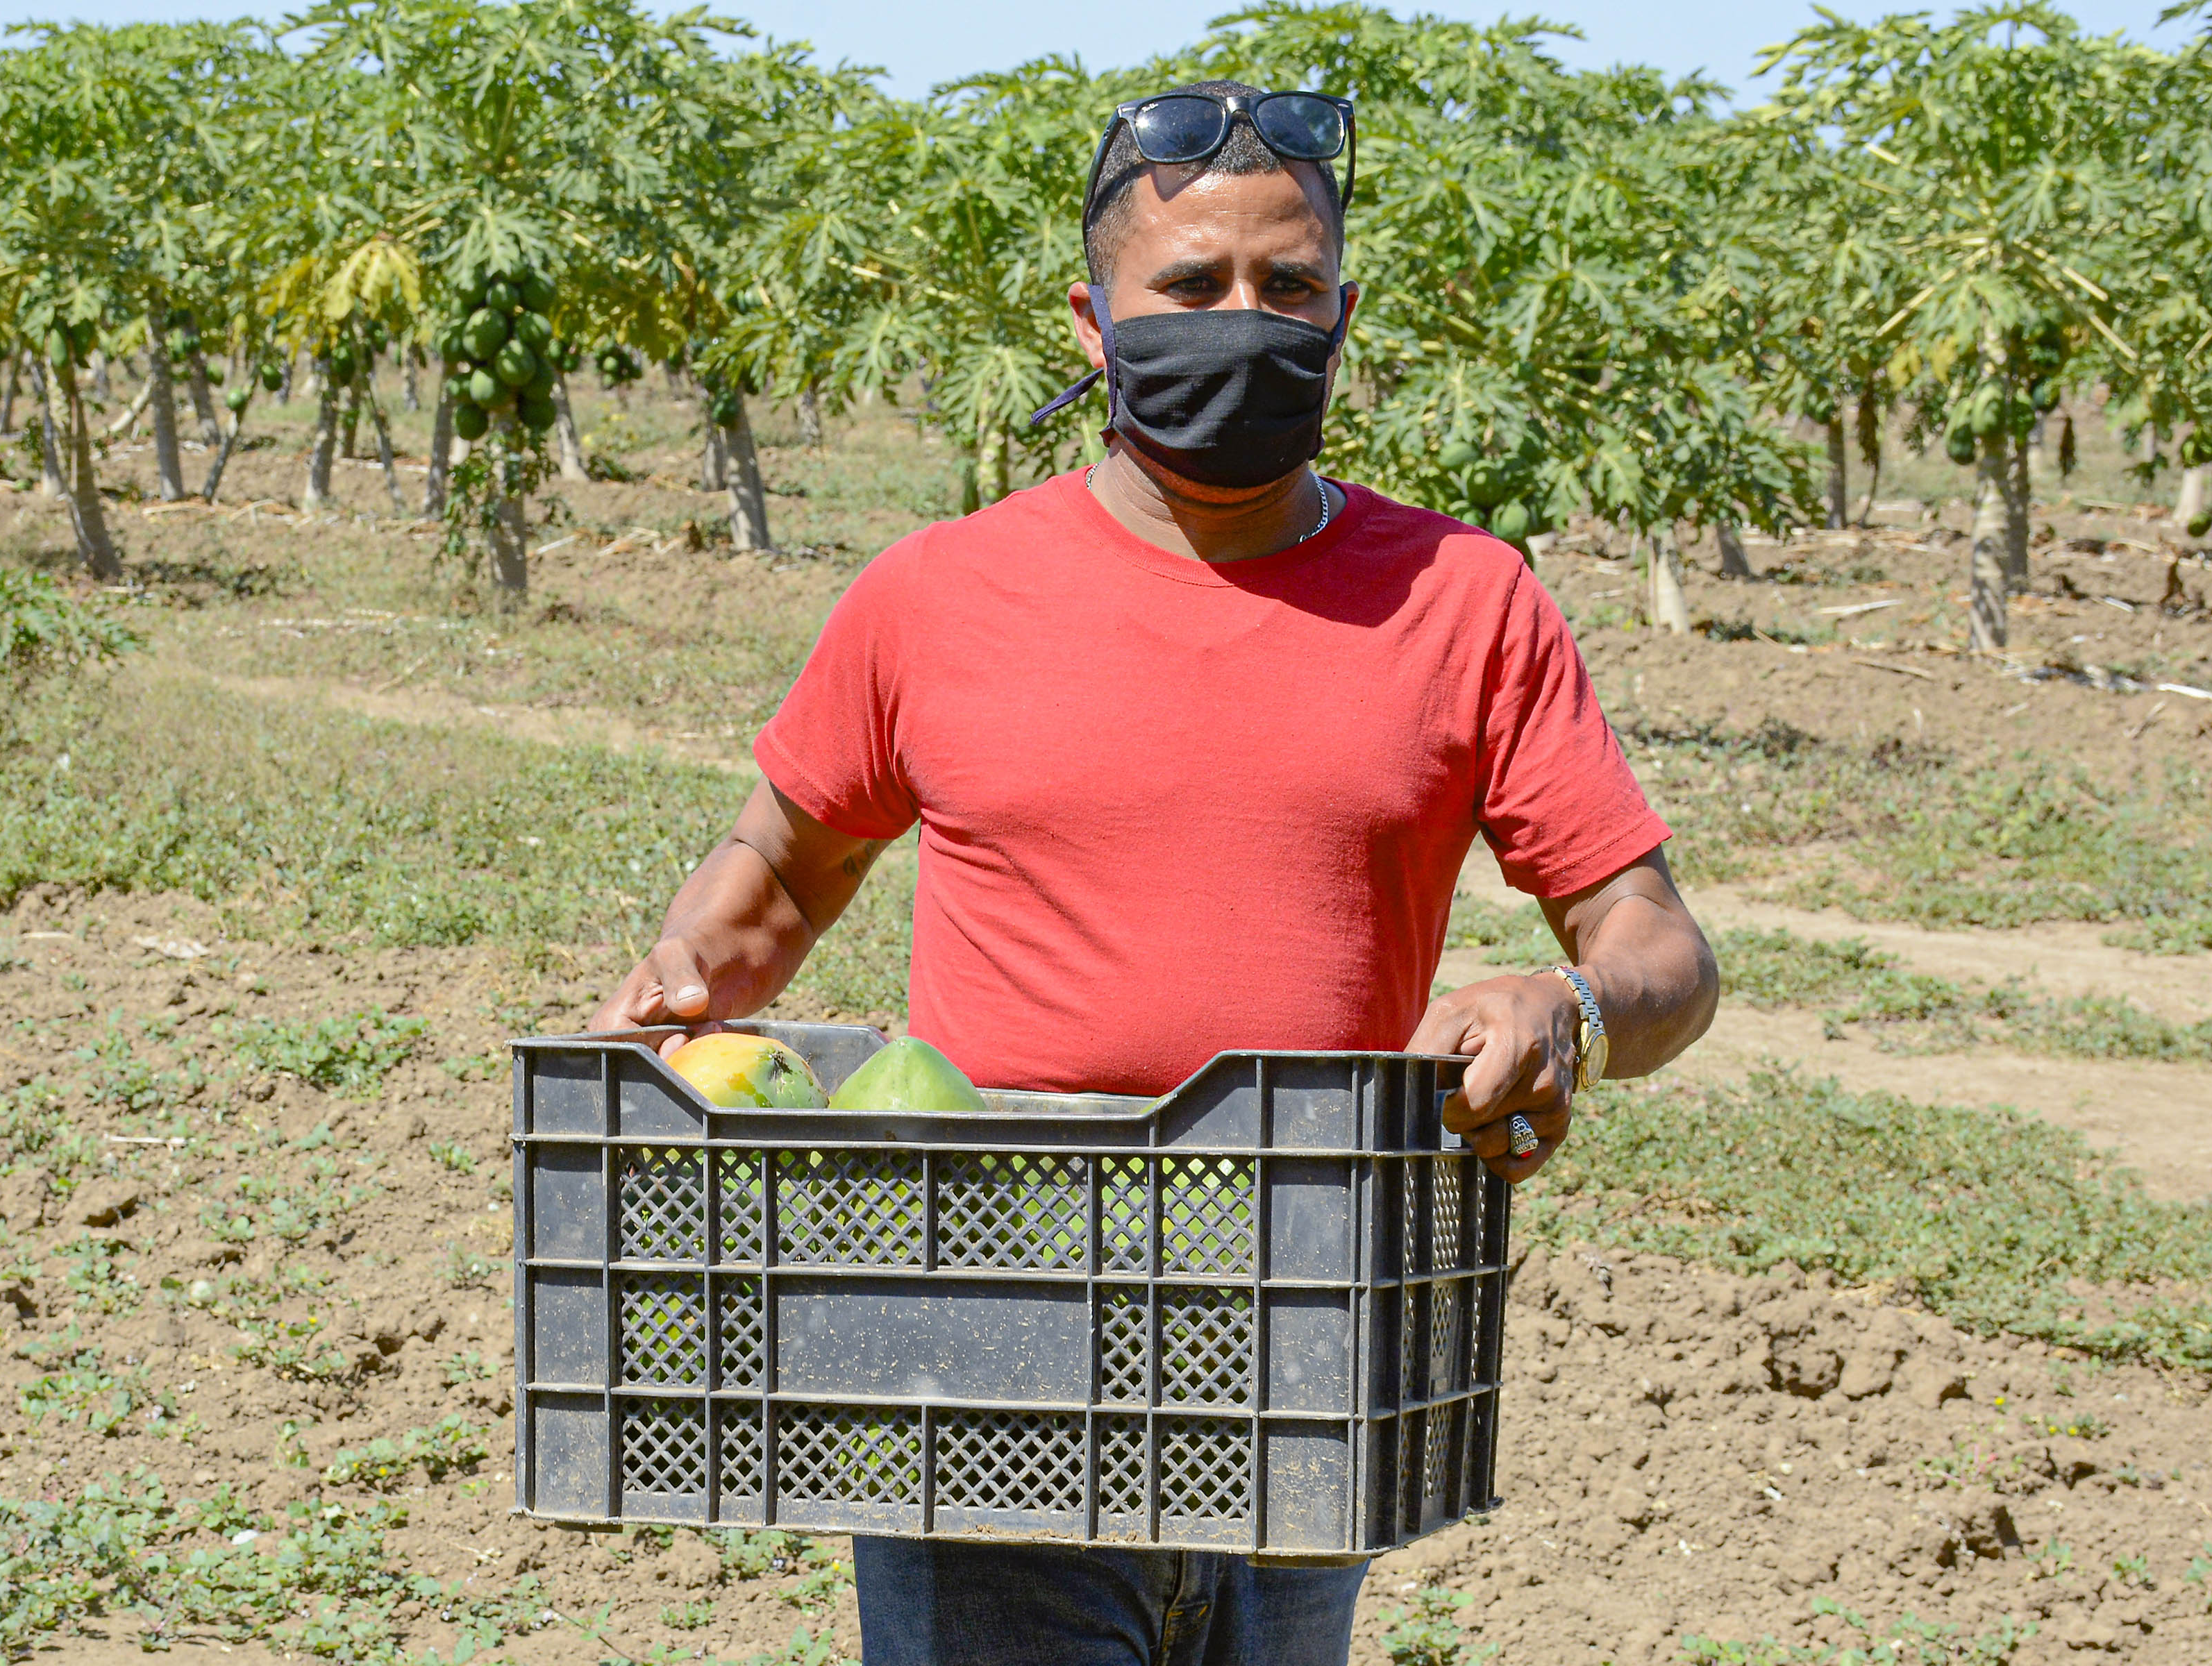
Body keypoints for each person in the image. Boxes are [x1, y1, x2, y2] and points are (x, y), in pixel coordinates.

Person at [591, 77, 1718, 1666]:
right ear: (1094, 321)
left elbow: (1659, 947)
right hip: (988, 1354)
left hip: (1306, 1354)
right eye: (1190, 289)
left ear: (1344, 314)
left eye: (1290, 288)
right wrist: (682, 990)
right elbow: (780, 874)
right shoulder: (940, 596)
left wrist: (1571, 1004)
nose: (1243, 323)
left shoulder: (1468, 599)